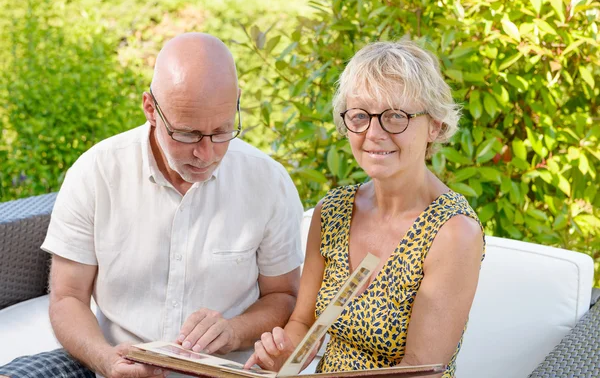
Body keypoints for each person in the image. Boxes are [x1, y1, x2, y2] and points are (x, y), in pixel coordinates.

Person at [0, 33, 304, 378]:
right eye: (187, 134)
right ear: (150, 109)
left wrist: (234, 331)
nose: (206, 154)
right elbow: (68, 296)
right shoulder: (96, 172)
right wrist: (105, 359)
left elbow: (284, 296)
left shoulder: (267, 182)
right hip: (111, 366)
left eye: (221, 132)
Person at [244, 39, 485, 378]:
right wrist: (285, 353)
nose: (374, 133)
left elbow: (420, 372)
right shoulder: (332, 212)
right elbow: (303, 322)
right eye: (360, 116)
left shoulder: (453, 232)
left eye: (395, 117)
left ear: (435, 125)